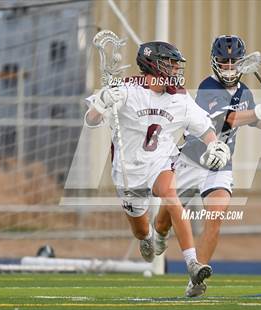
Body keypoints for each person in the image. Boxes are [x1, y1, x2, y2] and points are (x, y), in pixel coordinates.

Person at [153, 35, 261, 297]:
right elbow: (226, 119)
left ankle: (196, 278)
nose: (228, 67)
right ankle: (159, 233)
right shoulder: (207, 87)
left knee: (215, 217)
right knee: (165, 221)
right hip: (192, 160)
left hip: (220, 165)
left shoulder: (245, 92)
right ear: (215, 63)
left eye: (233, 61)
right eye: (223, 62)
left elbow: (252, 121)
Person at [84, 41, 231, 286]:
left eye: (176, 65)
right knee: (141, 232)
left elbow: (204, 128)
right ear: (152, 64)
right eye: (170, 64)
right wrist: (101, 103)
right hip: (128, 172)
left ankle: (193, 264)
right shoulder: (126, 90)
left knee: (171, 196)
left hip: (159, 161)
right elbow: (90, 121)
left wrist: (214, 144)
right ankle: (148, 236)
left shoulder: (179, 98)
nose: (175, 70)